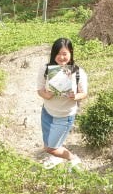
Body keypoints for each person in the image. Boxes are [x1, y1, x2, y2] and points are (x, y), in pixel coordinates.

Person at [36, 37, 88, 169]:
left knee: (51, 148)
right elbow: (39, 89)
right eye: (58, 54)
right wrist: (47, 95)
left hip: (65, 116)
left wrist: (75, 96)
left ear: (71, 53)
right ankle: (56, 159)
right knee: (48, 143)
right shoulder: (46, 69)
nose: (61, 57)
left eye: (64, 54)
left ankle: (73, 158)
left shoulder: (78, 72)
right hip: (47, 112)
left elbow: (84, 93)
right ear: (53, 54)